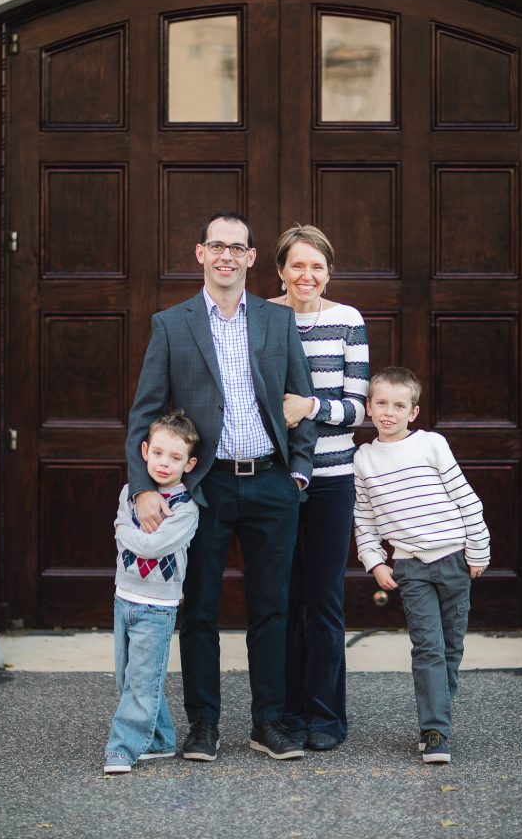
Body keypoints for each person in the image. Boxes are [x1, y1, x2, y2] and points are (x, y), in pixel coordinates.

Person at [126, 212, 316, 762]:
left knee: (271, 609)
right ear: (200, 253)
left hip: (272, 484)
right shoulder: (172, 323)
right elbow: (144, 415)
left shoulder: (276, 323)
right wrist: (144, 487)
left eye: (238, 247)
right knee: (201, 608)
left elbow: (299, 406)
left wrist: (297, 474)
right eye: (217, 246)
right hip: (203, 488)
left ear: (253, 258)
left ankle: (268, 723)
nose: (227, 256)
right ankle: (203, 725)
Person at [353, 366, 490, 764]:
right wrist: (376, 562)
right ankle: (435, 732)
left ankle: (438, 718)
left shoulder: (432, 445)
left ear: (413, 412)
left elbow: (466, 499)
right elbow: (364, 518)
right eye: (381, 403)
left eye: (399, 405)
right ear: (368, 407)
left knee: (451, 648)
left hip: (453, 561)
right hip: (410, 567)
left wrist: (478, 551)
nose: (388, 412)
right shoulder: (364, 459)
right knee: (427, 647)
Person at [269, 225, 369, 750]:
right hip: (273, 481)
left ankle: (327, 716)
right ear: (280, 270)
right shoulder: (261, 315)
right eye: (297, 266)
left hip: (331, 479)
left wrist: (309, 408)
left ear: (328, 272)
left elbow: (357, 408)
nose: (307, 276)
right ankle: (285, 713)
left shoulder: (347, 322)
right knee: (283, 599)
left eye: (317, 267)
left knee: (325, 599)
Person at [104, 411, 200, 775]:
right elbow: (122, 524)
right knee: (129, 677)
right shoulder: (132, 491)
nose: (164, 463)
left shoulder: (186, 509)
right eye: (158, 453)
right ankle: (160, 740)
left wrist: (124, 531)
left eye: (175, 458)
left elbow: (151, 545)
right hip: (123, 596)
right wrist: (124, 529)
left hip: (157, 606)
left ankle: (123, 748)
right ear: (144, 451)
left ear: (189, 463)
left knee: (142, 682)